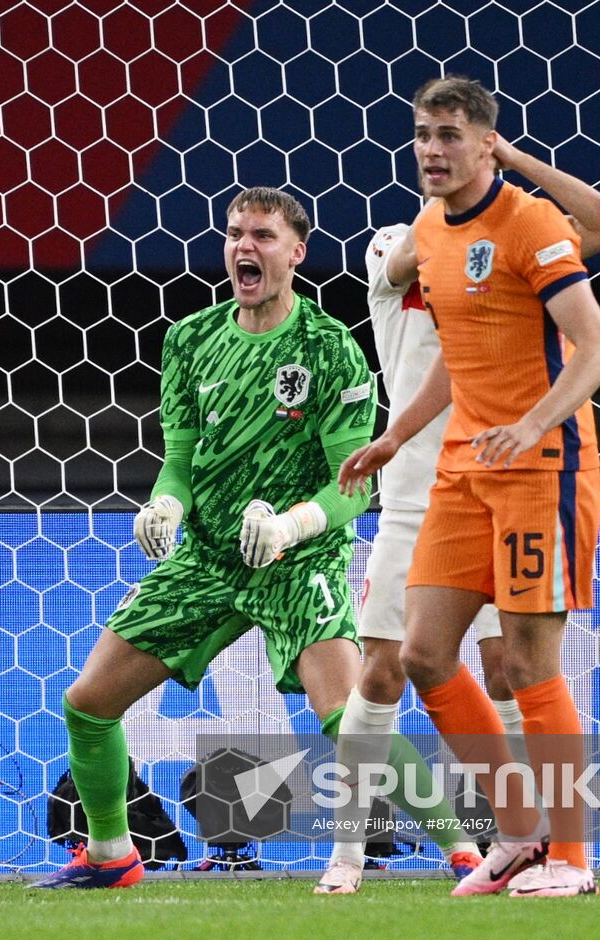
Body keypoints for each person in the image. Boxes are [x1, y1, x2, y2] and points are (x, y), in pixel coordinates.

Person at [31, 187, 377, 889]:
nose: (244, 247)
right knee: (88, 703)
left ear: (297, 253)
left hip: (296, 558)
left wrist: (287, 527)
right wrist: (163, 504)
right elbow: (181, 464)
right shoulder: (190, 340)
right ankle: (112, 855)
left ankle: (462, 843)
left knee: (346, 714)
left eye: (263, 236)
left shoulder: (330, 349)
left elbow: (354, 487)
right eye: (234, 234)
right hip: (211, 558)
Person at [320, 134, 600, 892]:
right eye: (423, 140)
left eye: (448, 139)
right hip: (418, 497)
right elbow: (410, 270)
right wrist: (453, 206)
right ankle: (350, 854)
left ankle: (559, 851)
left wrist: (511, 171)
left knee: (513, 665)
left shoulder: (516, 234)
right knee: (400, 665)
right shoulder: (405, 241)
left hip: (515, 469)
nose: (431, 152)